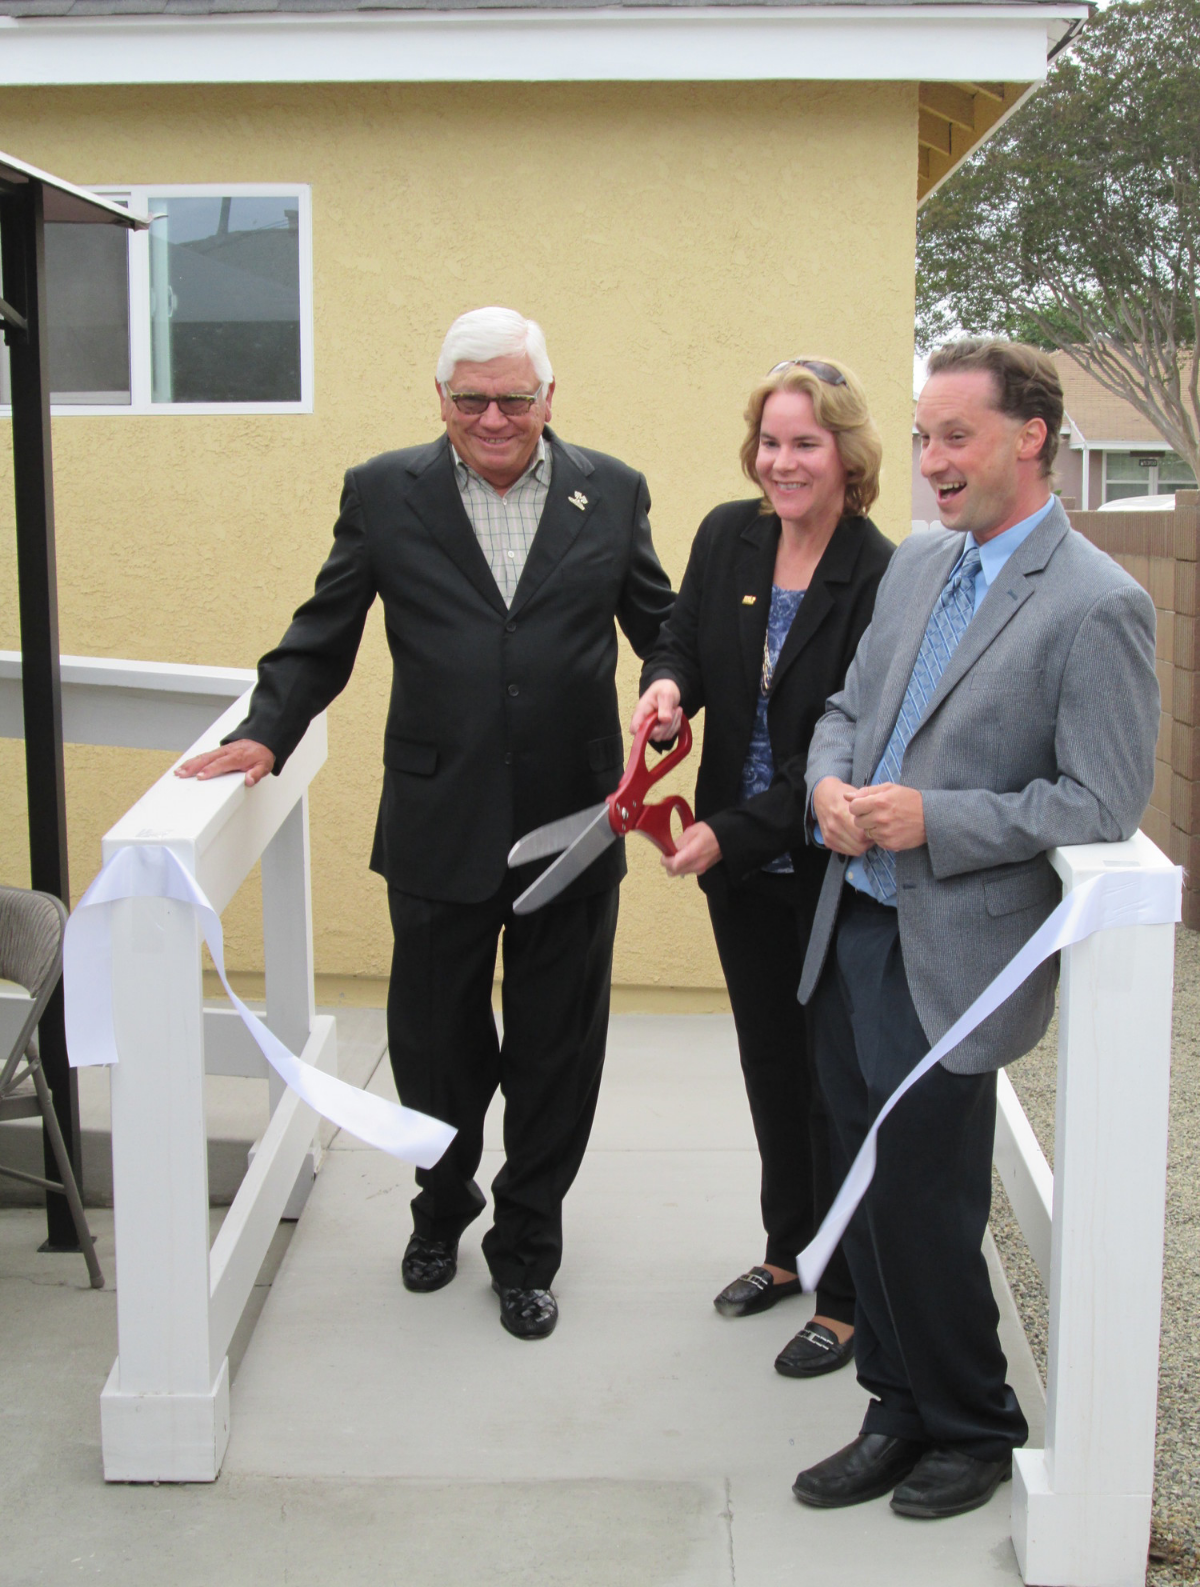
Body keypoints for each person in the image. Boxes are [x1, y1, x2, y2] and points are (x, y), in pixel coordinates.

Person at [177, 307, 674, 1341]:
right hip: (437, 817)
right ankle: (442, 1210)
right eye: (471, 399)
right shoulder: (382, 490)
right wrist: (266, 731)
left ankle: (527, 1248)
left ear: (549, 396)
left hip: (576, 821)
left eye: (514, 398)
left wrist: (672, 684)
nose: (494, 418)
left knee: (556, 1053)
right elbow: (324, 631)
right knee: (435, 1050)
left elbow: (660, 623)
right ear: (440, 398)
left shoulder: (615, 490)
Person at [791, 339, 1159, 1518]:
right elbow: (847, 706)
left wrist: (934, 818)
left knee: (924, 1198)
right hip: (852, 921)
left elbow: (1101, 800)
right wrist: (829, 785)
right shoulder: (918, 563)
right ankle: (896, 1408)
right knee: (864, 1184)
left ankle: (974, 1425)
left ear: (1030, 438)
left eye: (956, 436)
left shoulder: (1099, 603)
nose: (931, 459)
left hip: (955, 950)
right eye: (924, 436)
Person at [632, 358, 892, 1377]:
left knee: (835, 1083)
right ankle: (788, 1251)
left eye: (805, 443)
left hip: (825, 869)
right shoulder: (726, 535)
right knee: (770, 1066)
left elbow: (847, 747)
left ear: (847, 455)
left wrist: (733, 831)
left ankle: (847, 1295)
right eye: (770, 441)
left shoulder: (879, 573)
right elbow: (682, 640)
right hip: (740, 874)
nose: (781, 462)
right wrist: (665, 690)